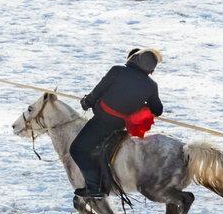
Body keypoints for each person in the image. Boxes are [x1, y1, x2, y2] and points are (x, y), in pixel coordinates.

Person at [70, 48, 164, 198]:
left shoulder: (117, 71)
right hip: (121, 125)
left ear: (135, 59)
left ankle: (94, 189)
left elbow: (98, 91)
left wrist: (86, 102)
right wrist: (143, 102)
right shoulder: (151, 86)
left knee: (76, 150)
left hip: (102, 121)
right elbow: (158, 110)